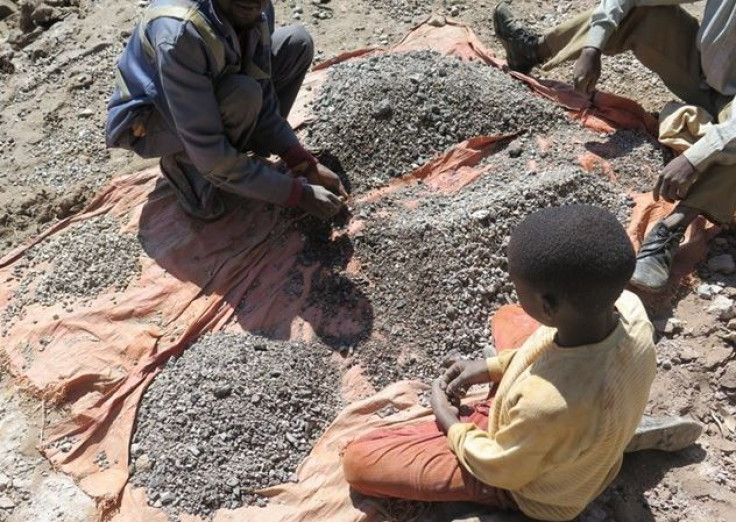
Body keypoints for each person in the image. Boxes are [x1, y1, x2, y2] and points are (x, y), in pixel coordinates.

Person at [342, 205, 702, 521]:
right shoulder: (631, 310)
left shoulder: (544, 407)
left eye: (518, 285)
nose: (515, 290)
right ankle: (612, 435)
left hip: (533, 487)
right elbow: (546, 346)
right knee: (511, 318)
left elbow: (501, 469)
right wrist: (491, 367)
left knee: (360, 460)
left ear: (548, 306)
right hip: (584, 415)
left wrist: (449, 420)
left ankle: (517, 485)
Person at [493, 0, 736, 292]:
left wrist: (694, 159)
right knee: (646, 13)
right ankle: (532, 50)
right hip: (707, 75)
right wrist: (592, 46)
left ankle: (669, 232)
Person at [106, 0, 346, 222]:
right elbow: (212, 151)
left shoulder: (254, 7)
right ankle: (187, 170)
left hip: (211, 86)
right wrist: (297, 194)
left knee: (296, 42)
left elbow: (263, 89)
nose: (254, 4)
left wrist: (301, 161)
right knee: (242, 95)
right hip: (150, 120)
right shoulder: (181, 34)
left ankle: (240, 154)